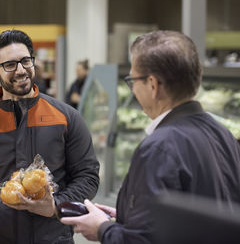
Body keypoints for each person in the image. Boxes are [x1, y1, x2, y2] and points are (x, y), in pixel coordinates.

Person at [60, 30, 240, 243]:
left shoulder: (160, 147)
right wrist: (128, 216)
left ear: (153, 85)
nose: (133, 89)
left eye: (133, 80)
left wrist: (102, 229)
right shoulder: (224, 134)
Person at [0, 29, 100, 244]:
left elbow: (87, 176)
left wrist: (56, 205)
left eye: (26, 61)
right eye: (10, 65)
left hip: (53, 238)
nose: (21, 70)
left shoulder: (67, 118)